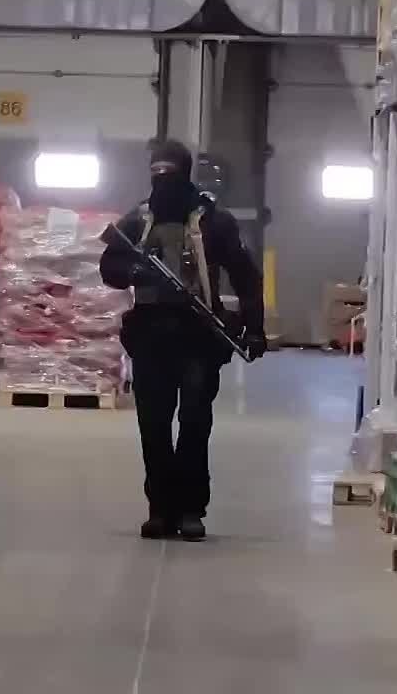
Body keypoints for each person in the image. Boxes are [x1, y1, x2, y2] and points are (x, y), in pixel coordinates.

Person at [99, 140, 266, 542]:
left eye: (168, 172)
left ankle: (191, 509)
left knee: (194, 422)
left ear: (185, 172)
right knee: (153, 425)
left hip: (199, 335)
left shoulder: (214, 221)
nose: (162, 181)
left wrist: (255, 328)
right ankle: (159, 509)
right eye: (156, 173)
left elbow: (246, 277)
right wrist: (138, 272)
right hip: (150, 334)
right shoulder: (139, 219)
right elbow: (110, 265)